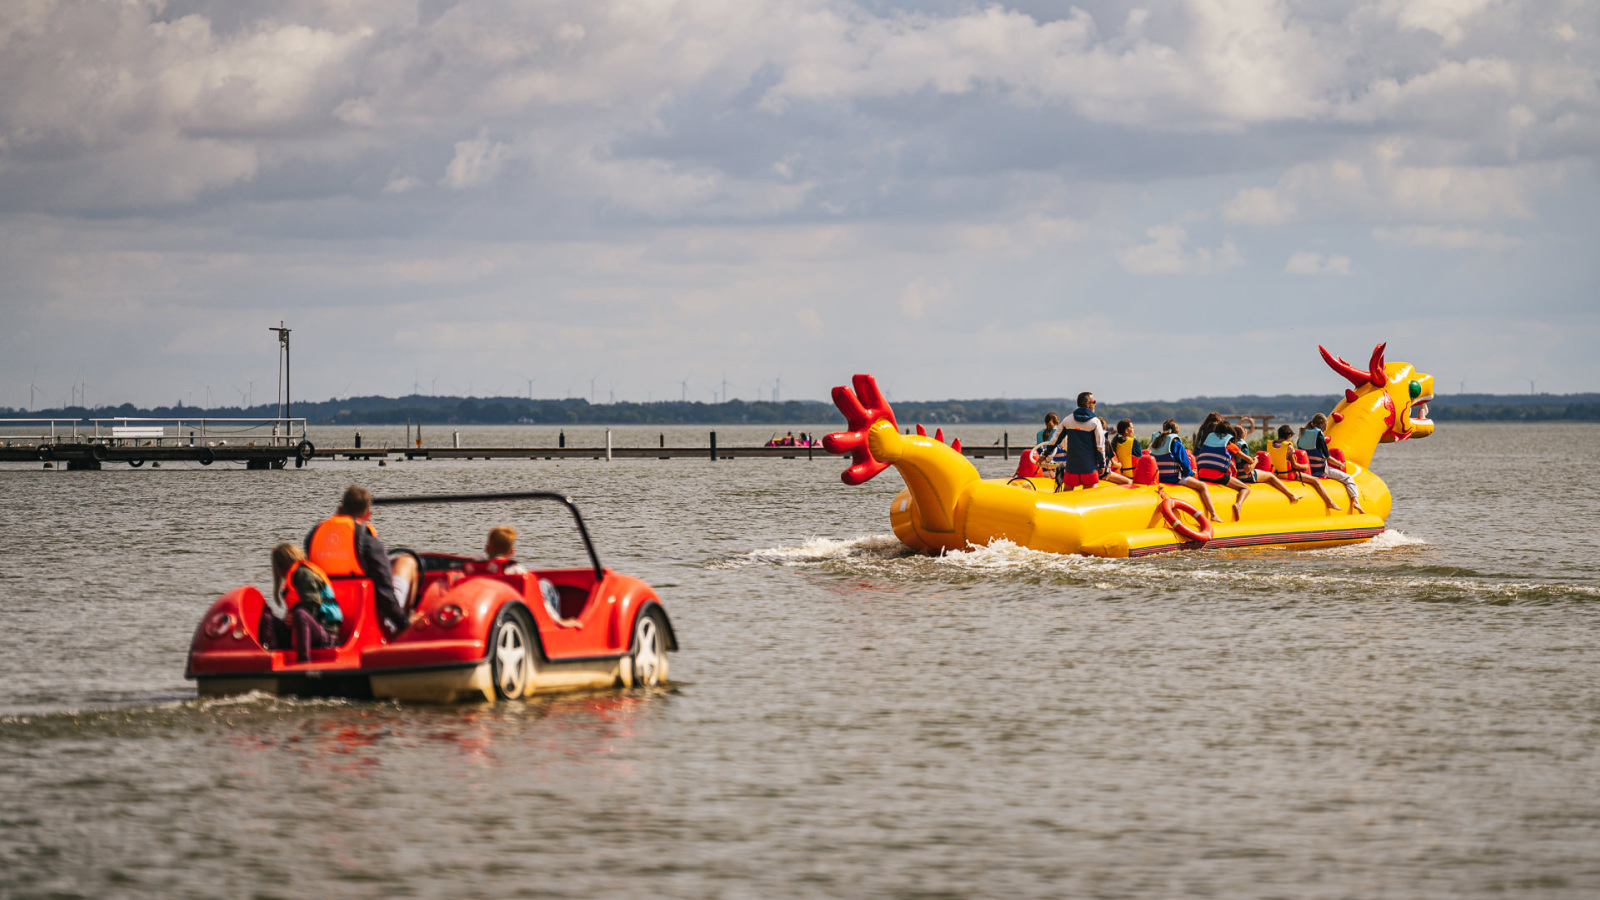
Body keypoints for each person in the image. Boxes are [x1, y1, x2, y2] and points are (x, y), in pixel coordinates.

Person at [306, 485, 416, 636]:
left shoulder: (313, 537)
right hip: (365, 621)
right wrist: (404, 624)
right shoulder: (367, 542)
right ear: (368, 514)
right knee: (407, 562)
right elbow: (385, 594)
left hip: (324, 616)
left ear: (339, 509)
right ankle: (401, 630)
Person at [260, 543, 342, 662]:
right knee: (267, 619)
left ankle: (303, 662)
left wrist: (294, 618)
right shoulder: (293, 577)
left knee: (300, 613)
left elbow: (312, 604)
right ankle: (274, 659)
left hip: (325, 634)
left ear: (280, 566)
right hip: (301, 630)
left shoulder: (303, 573)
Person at [1148, 419, 1222, 522]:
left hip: (1160, 478)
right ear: (1177, 432)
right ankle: (1213, 514)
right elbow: (1185, 465)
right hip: (1173, 478)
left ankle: (1214, 515)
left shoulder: (1156, 442)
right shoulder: (1176, 443)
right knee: (1203, 486)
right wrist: (1192, 473)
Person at [1035, 392, 1106, 491]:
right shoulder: (1095, 422)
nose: (1094, 404)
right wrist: (1102, 464)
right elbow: (1100, 446)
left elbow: (1054, 440)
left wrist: (1044, 455)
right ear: (1087, 404)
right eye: (1093, 402)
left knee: (1067, 493)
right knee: (1090, 495)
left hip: (1072, 466)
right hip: (1089, 466)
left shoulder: (1068, 420)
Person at [1297, 414, 1365, 513]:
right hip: (1321, 471)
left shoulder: (1302, 433)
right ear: (1320, 425)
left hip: (1308, 471)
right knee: (1348, 478)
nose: (1325, 429)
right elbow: (1328, 458)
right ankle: (1355, 501)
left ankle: (1355, 502)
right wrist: (1340, 464)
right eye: (1324, 426)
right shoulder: (1319, 435)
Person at [1267, 425, 1339, 510]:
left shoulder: (1272, 445)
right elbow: (1294, 465)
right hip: (1289, 474)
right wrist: (1305, 466)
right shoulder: (1288, 446)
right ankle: (1330, 502)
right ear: (1289, 436)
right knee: (1315, 480)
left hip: (1276, 474)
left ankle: (1330, 502)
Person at [1194, 420, 1252, 520]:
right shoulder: (1230, 444)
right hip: (1217, 476)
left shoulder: (1209, 439)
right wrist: (1254, 459)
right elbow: (1248, 459)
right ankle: (1238, 504)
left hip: (1202, 474)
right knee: (1245, 488)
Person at [1228, 425, 1299, 504]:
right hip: (1245, 477)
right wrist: (1256, 461)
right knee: (1270, 476)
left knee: (1261, 471)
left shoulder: (1232, 444)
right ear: (1244, 434)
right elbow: (1247, 469)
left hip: (1235, 477)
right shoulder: (1243, 445)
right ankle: (1291, 495)